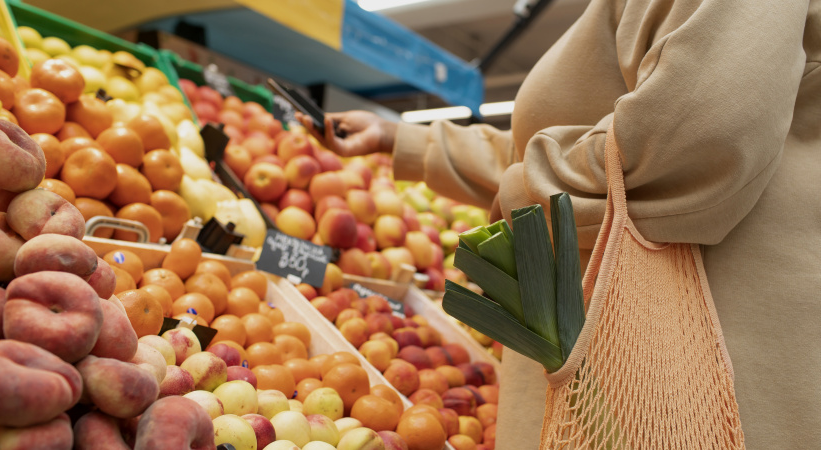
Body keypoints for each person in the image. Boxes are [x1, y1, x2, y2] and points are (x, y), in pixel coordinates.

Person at [300, 0, 821, 447]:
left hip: (686, 357)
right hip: (627, 358)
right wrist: (404, 140)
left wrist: (525, 198)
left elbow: (699, 136)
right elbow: (576, 146)